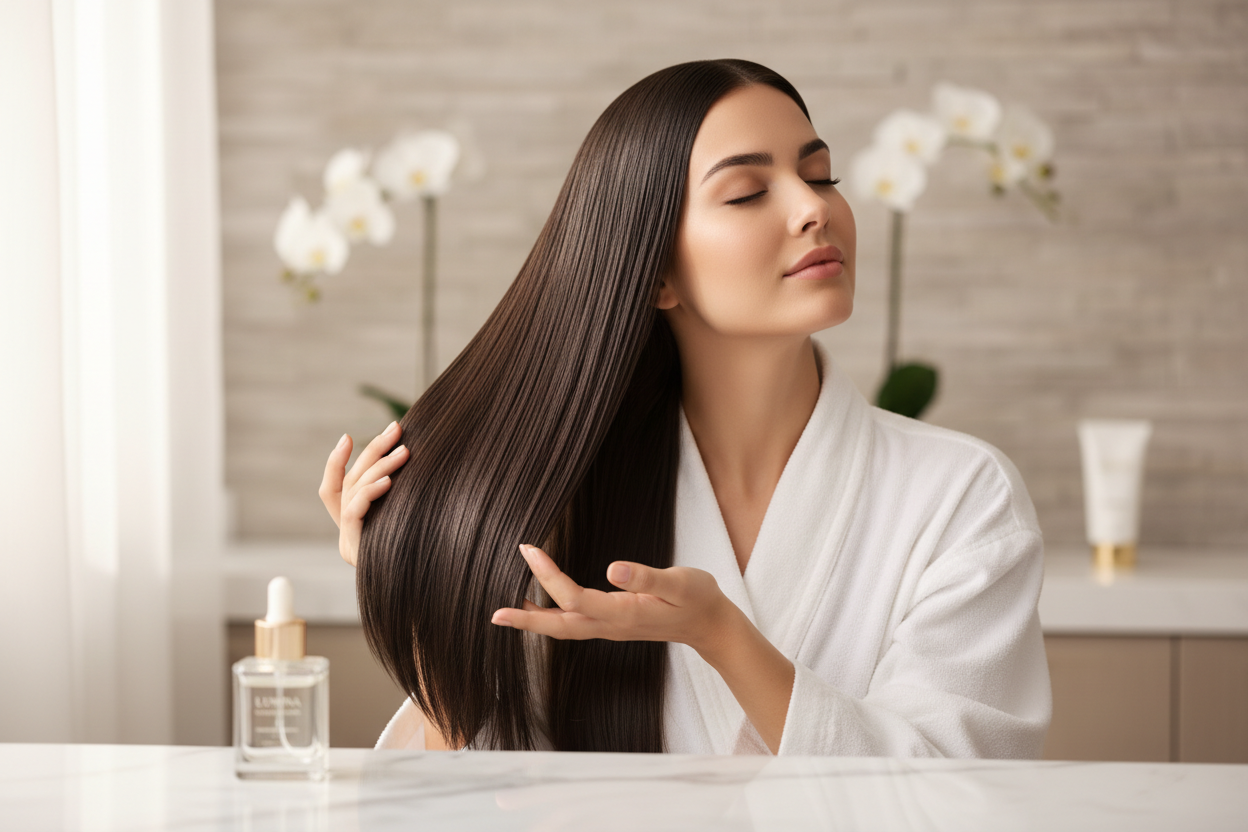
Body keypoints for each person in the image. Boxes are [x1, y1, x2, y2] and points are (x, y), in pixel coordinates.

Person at [318, 59, 1051, 757]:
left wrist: (724, 638)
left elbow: (957, 789)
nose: (812, 208)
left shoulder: (963, 494)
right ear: (658, 273)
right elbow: (495, 789)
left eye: (819, 174)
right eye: (747, 193)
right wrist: (416, 591)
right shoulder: (568, 501)